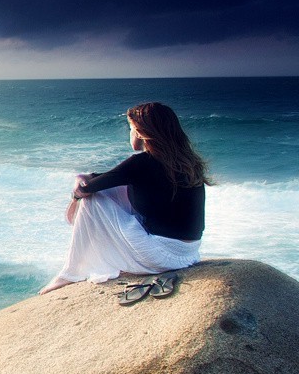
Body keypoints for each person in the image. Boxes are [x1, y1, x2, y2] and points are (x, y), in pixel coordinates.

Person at [39, 101, 210, 294]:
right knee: (116, 187)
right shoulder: (190, 162)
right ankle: (75, 269)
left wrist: (75, 195)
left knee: (93, 199)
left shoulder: (141, 163)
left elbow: (86, 189)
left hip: (160, 257)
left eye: (131, 129)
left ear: (140, 132)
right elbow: (111, 177)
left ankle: (70, 273)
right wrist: (87, 179)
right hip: (188, 254)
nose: (130, 134)